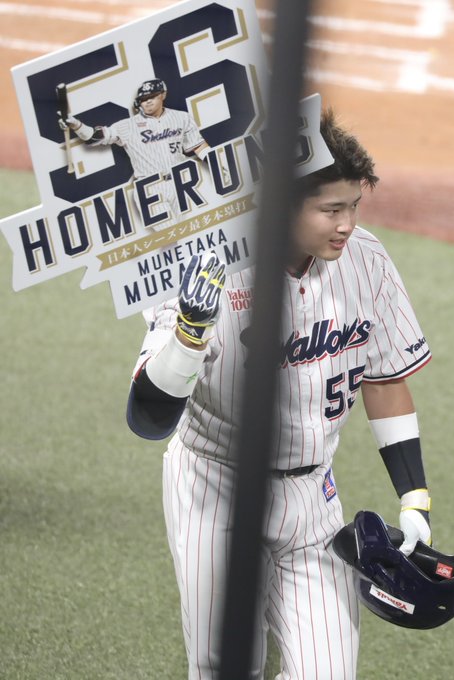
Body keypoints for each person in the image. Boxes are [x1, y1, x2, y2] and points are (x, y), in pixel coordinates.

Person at [127, 109, 433, 679]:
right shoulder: (205, 266)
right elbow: (149, 413)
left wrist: (414, 497)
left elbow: (387, 376)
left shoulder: (366, 260)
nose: (347, 224)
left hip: (313, 496)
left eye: (354, 206)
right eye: (331, 210)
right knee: (223, 665)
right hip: (214, 487)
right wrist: (189, 333)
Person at [58, 78, 211, 229]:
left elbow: (200, 148)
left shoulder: (181, 117)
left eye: (152, 96)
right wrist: (76, 124)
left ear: (163, 95)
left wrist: (219, 164)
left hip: (181, 183)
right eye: (143, 99)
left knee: (188, 233)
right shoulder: (128, 126)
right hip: (149, 188)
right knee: (171, 235)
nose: (148, 101)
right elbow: (93, 137)